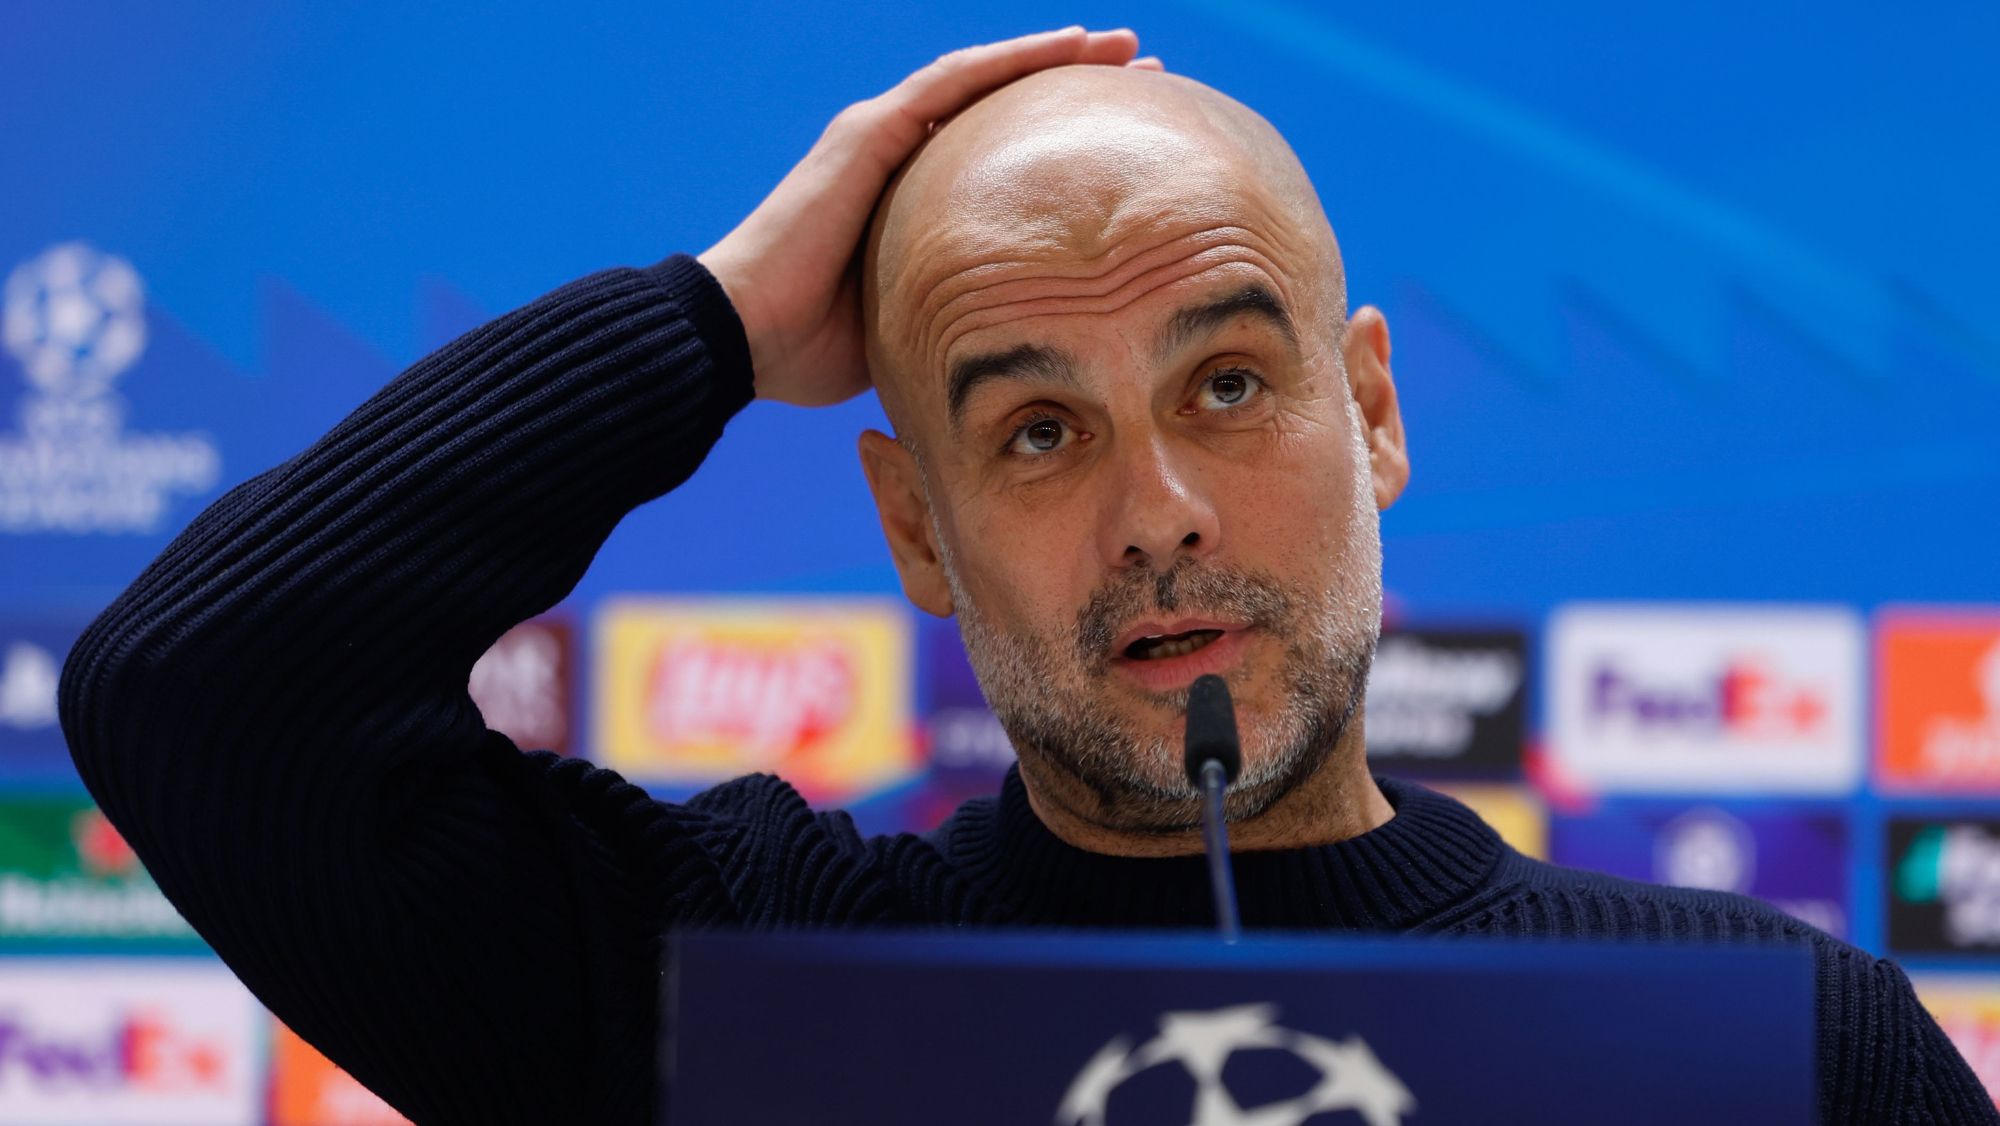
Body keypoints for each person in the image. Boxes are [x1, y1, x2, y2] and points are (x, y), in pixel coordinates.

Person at [59, 26, 1992, 1125]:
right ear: (917, 527)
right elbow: (199, 695)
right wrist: (714, 323)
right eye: (1037, 428)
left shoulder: (1781, 1048)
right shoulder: (719, 990)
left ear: (1373, 412)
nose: (1157, 509)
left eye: (1228, 384)